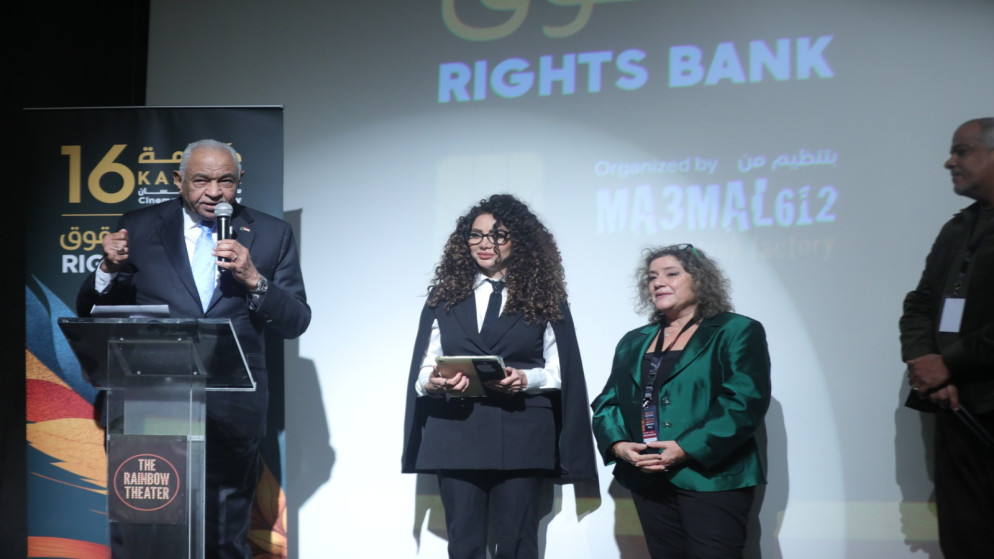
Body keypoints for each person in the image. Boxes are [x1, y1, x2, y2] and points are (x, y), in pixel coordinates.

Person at [76, 139, 311, 558]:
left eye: (226, 181)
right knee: (145, 530)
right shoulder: (139, 226)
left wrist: (254, 279)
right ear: (178, 180)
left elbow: (296, 320)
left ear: (240, 181)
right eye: (201, 180)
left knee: (225, 535)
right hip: (150, 404)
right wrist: (107, 268)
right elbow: (93, 311)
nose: (215, 193)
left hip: (232, 409)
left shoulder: (271, 233)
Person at [401, 193, 597, 559]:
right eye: (475, 235)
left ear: (519, 240)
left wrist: (527, 379)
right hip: (455, 433)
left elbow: (562, 370)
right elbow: (424, 366)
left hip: (522, 433)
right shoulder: (445, 297)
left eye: (497, 235)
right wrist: (432, 382)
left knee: (518, 544)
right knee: (464, 546)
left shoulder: (544, 297)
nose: (484, 244)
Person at [591, 244, 771, 558]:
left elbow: (744, 402)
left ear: (699, 279)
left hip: (711, 476)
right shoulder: (634, 341)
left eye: (671, 274)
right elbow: (608, 402)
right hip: (648, 476)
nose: (658, 282)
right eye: (652, 277)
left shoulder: (737, 330)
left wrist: (686, 447)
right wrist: (619, 446)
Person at [901, 117, 994, 559]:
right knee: (964, 537)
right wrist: (927, 361)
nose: (949, 162)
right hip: (955, 410)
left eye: (962, 151)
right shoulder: (958, 227)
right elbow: (919, 303)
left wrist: (949, 362)